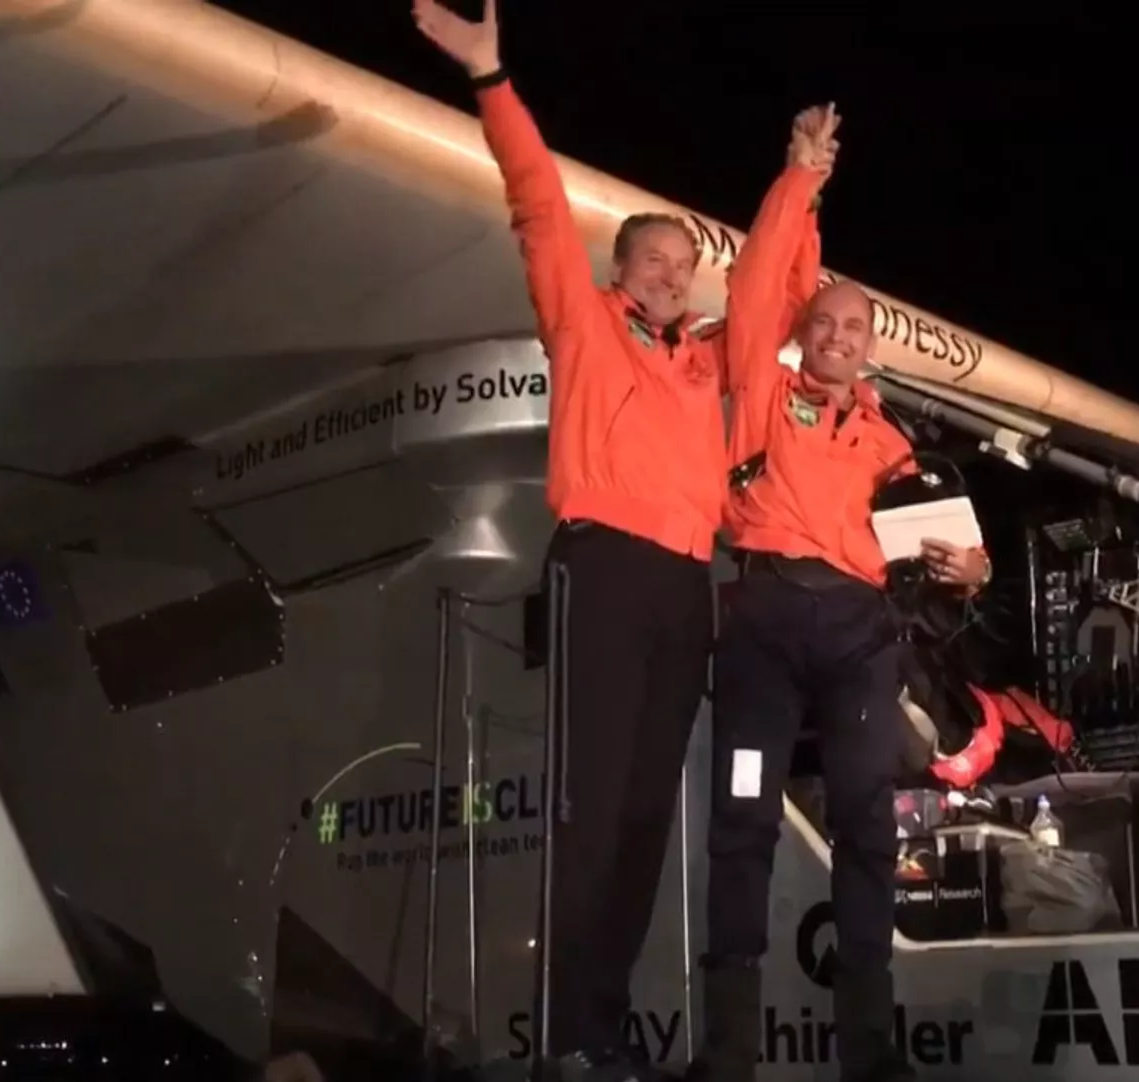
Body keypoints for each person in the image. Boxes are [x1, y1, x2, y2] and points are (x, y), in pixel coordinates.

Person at [412, 3, 821, 1078]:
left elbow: (775, 294)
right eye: (653, 260)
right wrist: (492, 79)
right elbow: (538, 203)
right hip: (600, 568)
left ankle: (597, 1028)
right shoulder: (585, 324)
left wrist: (799, 182)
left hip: (686, 585)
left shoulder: (706, 358)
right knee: (590, 812)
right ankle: (564, 1037)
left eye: (683, 265)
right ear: (620, 268)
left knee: (644, 818)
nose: (671, 275)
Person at [691, 106, 990, 1082]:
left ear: (867, 347)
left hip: (860, 637)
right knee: (742, 818)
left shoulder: (890, 442)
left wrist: (977, 568)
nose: (836, 336)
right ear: (804, 333)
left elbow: (956, 546)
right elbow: (758, 277)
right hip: (762, 623)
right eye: (823, 321)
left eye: (853, 327)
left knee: (865, 821)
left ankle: (870, 1051)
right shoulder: (762, 392)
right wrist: (801, 177)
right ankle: (727, 1052)